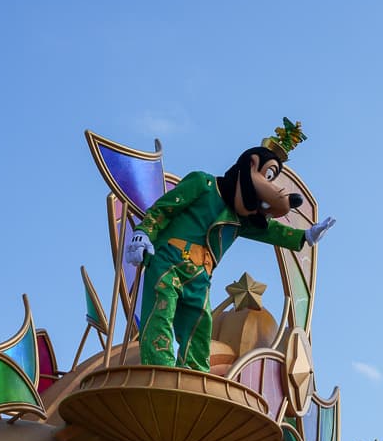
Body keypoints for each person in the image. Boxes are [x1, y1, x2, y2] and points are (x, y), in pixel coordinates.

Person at [124, 119, 334, 369]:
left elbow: (268, 230)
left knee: (199, 327)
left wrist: (304, 236)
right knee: (161, 312)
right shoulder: (203, 184)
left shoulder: (237, 218)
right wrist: (143, 233)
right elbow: (166, 208)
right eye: (268, 175)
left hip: (200, 275)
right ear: (251, 165)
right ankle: (158, 370)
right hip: (170, 259)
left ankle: (194, 377)